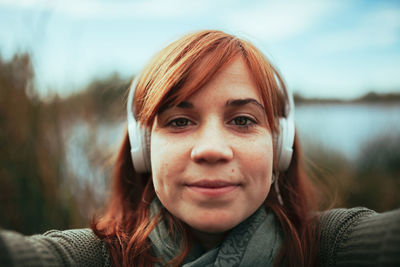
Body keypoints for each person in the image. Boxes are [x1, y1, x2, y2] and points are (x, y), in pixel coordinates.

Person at [0, 30, 399, 267]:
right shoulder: (96, 257)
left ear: (280, 146)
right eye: (178, 121)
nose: (211, 150)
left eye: (243, 120)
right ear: (144, 147)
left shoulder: (327, 246)